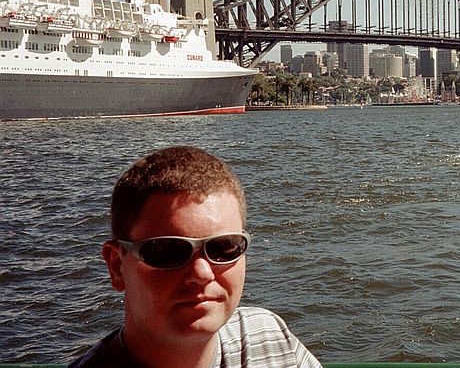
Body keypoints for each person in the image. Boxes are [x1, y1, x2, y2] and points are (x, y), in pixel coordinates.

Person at [69, 145, 323, 368]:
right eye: (168, 251)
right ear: (116, 266)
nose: (202, 273)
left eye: (224, 247)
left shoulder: (268, 337)